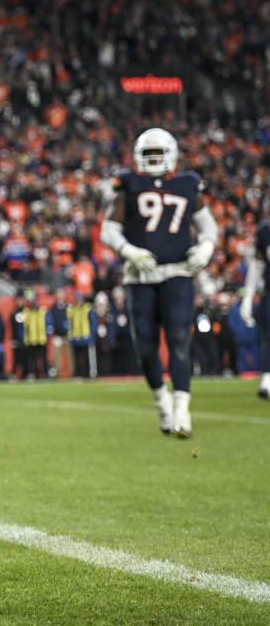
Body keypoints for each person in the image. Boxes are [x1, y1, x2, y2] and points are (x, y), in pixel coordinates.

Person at [99, 127, 218, 436]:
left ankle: (182, 411)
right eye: (148, 154)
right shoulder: (130, 185)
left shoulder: (188, 185)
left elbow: (209, 228)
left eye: (158, 154)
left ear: (171, 155)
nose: (153, 160)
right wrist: (128, 250)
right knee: (146, 347)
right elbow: (108, 230)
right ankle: (162, 403)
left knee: (179, 340)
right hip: (140, 275)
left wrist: (206, 247)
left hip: (177, 271)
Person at [240, 219, 270, 399]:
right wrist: (248, 299)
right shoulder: (265, 232)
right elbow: (257, 266)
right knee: (267, 337)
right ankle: (267, 380)